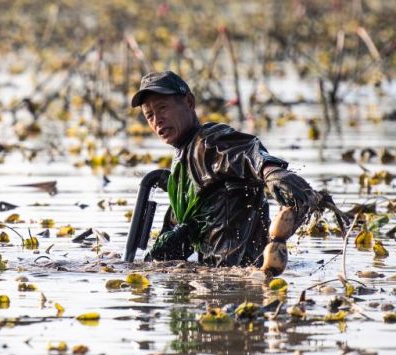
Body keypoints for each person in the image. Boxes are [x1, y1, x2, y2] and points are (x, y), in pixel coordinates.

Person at [132, 71, 318, 269]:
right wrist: (166, 246)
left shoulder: (208, 141)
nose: (157, 120)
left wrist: (271, 171)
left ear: (189, 102)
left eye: (162, 108)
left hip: (244, 274)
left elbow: (245, 151)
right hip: (213, 276)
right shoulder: (181, 165)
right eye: (149, 115)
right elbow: (181, 232)